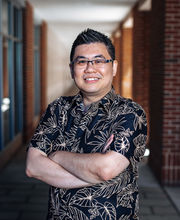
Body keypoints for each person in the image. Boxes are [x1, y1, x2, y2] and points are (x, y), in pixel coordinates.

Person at [26, 28, 147, 220]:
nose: (90, 68)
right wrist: (93, 175)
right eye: (82, 61)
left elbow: (104, 169)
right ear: (71, 68)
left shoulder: (130, 113)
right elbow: (33, 166)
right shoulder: (57, 109)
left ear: (113, 67)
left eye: (99, 61)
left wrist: (56, 156)